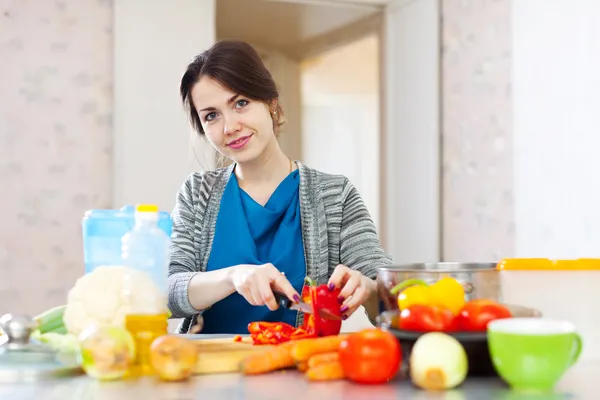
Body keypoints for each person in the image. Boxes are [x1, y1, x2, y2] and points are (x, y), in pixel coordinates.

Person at [168, 39, 393, 334]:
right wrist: (234, 276)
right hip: (210, 370)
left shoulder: (335, 196)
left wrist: (369, 289)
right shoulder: (197, 194)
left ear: (271, 102)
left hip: (303, 373)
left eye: (241, 103)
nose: (229, 127)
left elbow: (393, 300)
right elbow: (169, 294)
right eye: (211, 115)